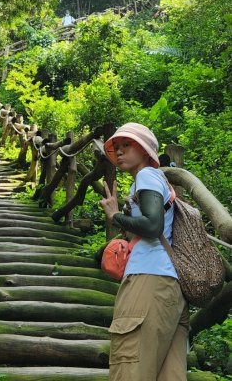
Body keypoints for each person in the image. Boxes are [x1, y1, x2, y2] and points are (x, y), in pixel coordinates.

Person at [100, 122, 189, 381]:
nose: (118, 152)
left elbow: (152, 225)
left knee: (130, 367)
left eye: (127, 145)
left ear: (144, 149)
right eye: (116, 147)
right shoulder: (156, 180)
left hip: (148, 280)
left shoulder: (147, 176)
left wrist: (115, 215)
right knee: (169, 374)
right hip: (170, 286)